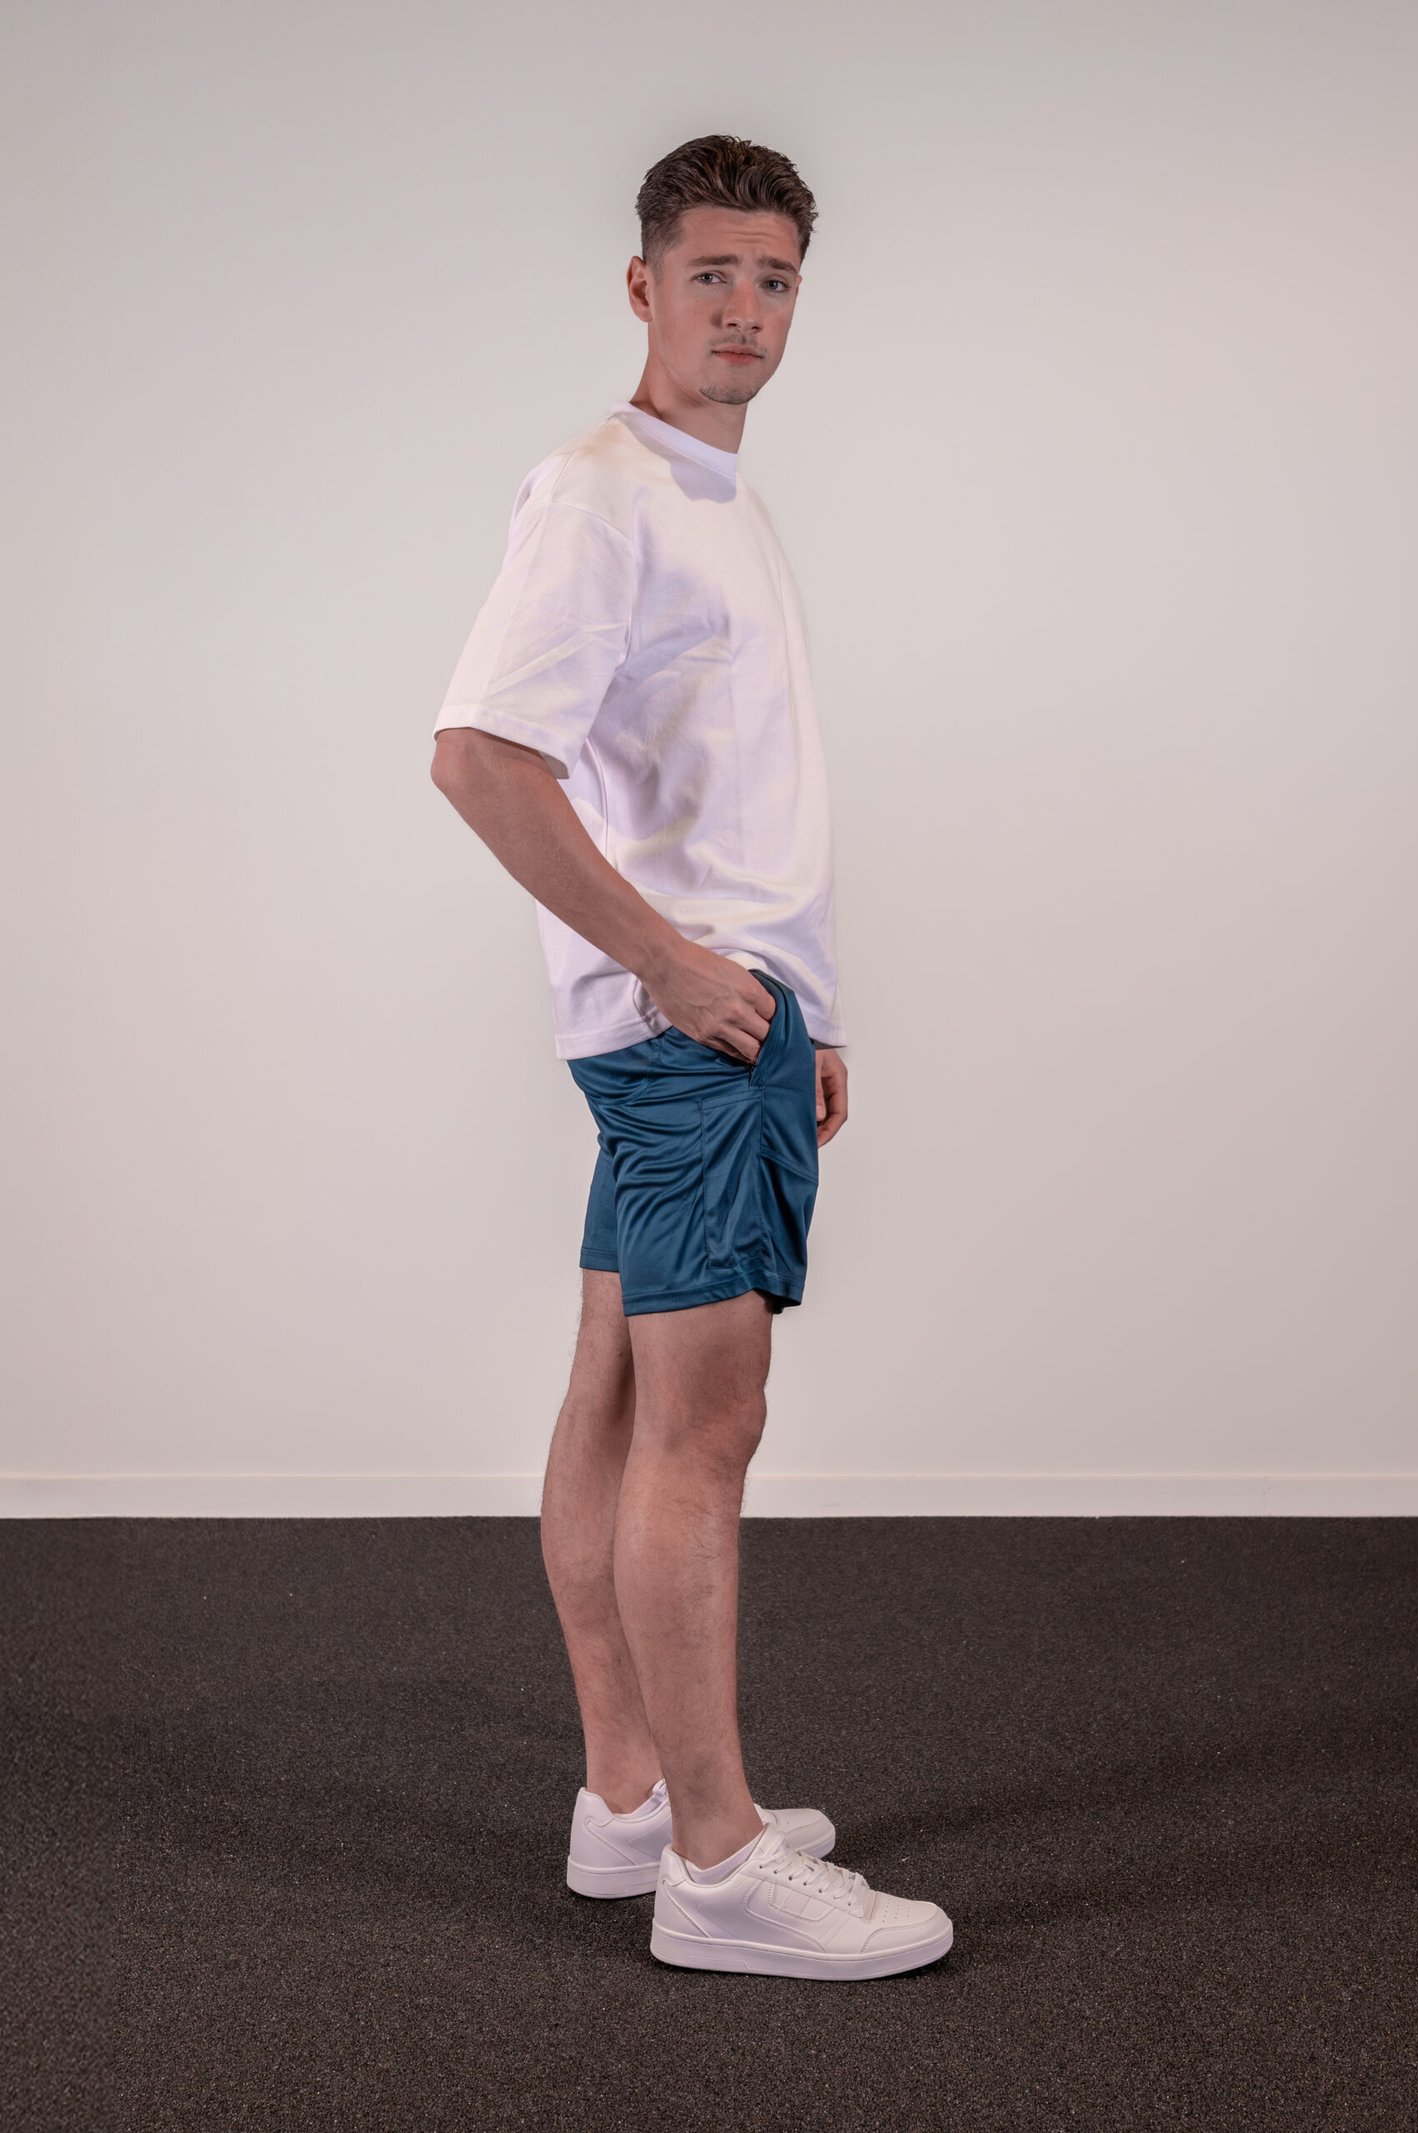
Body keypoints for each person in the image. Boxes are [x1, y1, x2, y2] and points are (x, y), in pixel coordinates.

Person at [429, 134, 953, 1980]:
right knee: (704, 1432)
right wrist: (674, 971)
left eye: (775, 278)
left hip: (725, 1029)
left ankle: (632, 1799)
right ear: (642, 285)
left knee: (617, 1397)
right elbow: (481, 756)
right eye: (712, 273)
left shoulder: (718, 495)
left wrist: (805, 1006)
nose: (745, 308)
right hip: (683, 1044)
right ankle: (721, 1869)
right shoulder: (604, 494)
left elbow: (731, 791)